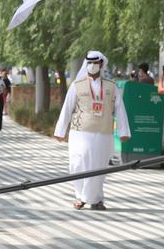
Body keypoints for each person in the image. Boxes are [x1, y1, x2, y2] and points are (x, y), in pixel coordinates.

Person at [54, 51, 131, 210]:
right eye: (89, 63)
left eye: (95, 63)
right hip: (79, 132)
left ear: (101, 64)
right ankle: (80, 195)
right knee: (78, 164)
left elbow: (120, 109)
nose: (92, 65)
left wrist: (124, 131)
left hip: (103, 133)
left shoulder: (111, 86)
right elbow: (67, 108)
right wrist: (60, 131)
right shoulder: (77, 85)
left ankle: (95, 200)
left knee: (98, 166)